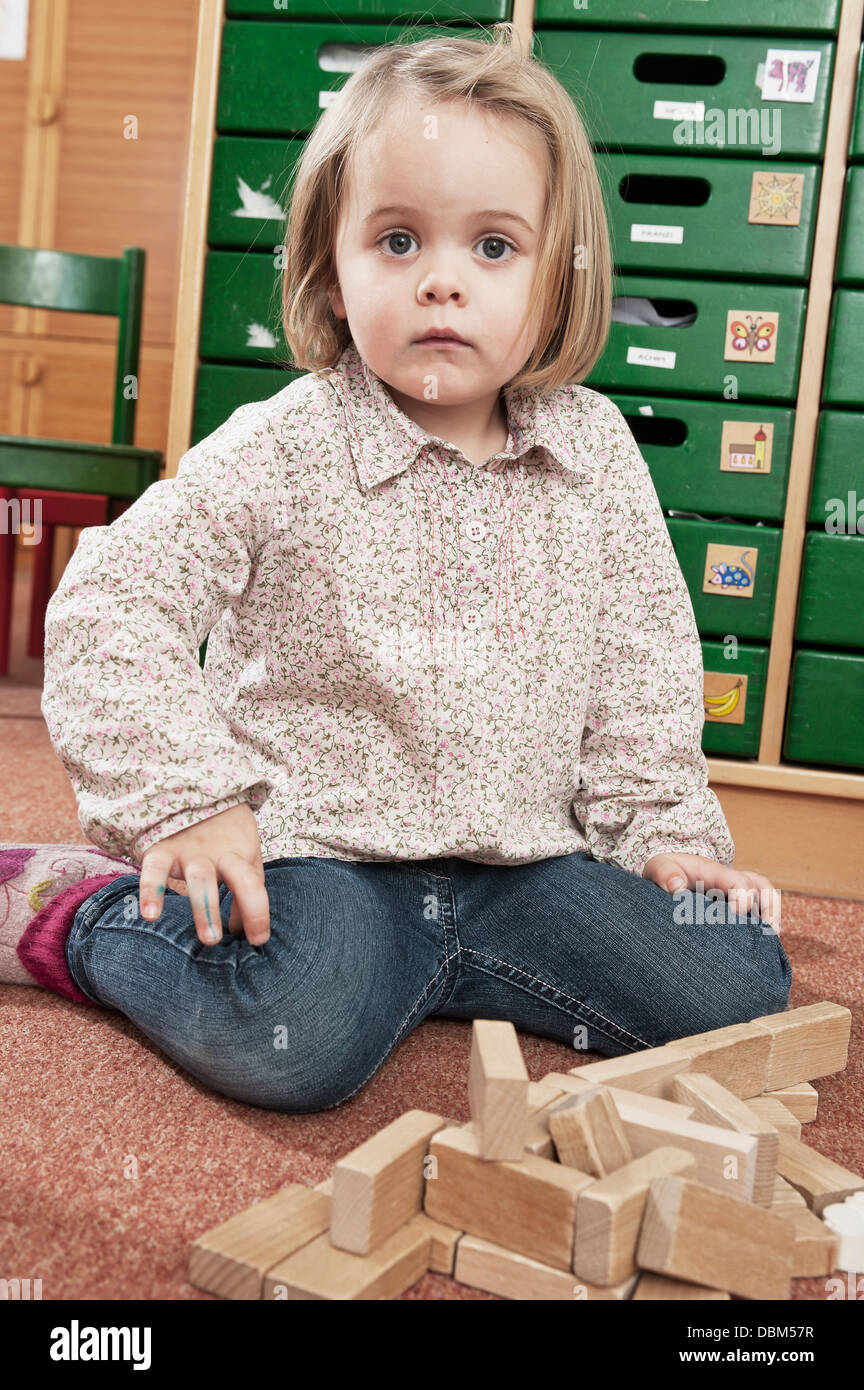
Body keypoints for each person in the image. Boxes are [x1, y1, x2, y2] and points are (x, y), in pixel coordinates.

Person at [2, 26, 789, 1112]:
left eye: (495, 248)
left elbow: (642, 675)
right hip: (326, 856)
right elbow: (110, 600)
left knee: (739, 980)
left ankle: (437, 976)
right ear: (329, 274)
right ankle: (69, 910)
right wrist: (185, 800)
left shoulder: (596, 449)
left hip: (525, 869)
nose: (443, 286)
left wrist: (666, 844)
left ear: (559, 279)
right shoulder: (285, 443)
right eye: (400, 241)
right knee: (289, 1043)